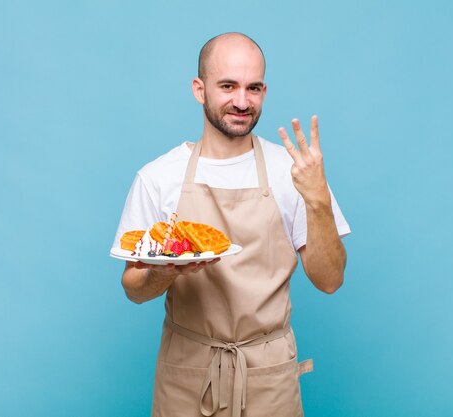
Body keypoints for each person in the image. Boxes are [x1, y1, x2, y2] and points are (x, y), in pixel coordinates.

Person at [112, 32, 350, 417]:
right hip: (187, 373)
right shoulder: (158, 177)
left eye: (253, 88)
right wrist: (168, 269)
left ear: (264, 90)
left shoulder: (293, 172)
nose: (242, 101)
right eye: (228, 86)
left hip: (267, 375)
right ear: (199, 89)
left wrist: (318, 199)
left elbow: (329, 280)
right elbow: (134, 289)